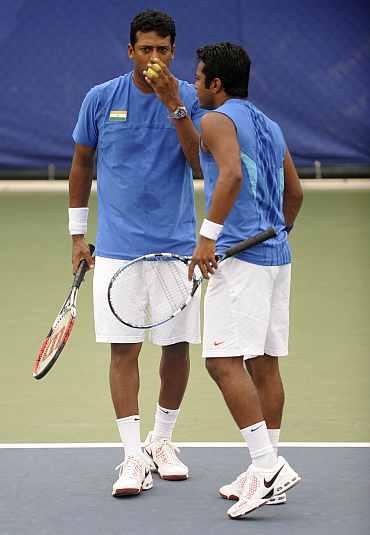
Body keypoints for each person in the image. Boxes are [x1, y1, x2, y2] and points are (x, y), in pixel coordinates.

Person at [68, 10, 204, 497]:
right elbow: (82, 165)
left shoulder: (189, 96)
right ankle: (131, 456)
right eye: (145, 49)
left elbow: (198, 162)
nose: (154, 57)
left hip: (176, 250)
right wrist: (77, 236)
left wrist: (174, 104)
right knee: (123, 351)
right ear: (130, 51)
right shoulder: (101, 99)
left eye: (163, 50)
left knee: (175, 348)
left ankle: (162, 442)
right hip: (118, 250)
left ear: (173, 52)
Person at [189, 42, 303, 518]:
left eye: (198, 78)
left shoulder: (215, 120)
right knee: (265, 363)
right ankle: (262, 469)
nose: (194, 85)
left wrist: (207, 238)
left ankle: (268, 466)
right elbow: (294, 193)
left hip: (242, 262)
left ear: (217, 83)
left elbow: (230, 175)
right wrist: (274, 234)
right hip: (277, 257)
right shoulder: (270, 125)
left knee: (221, 362)